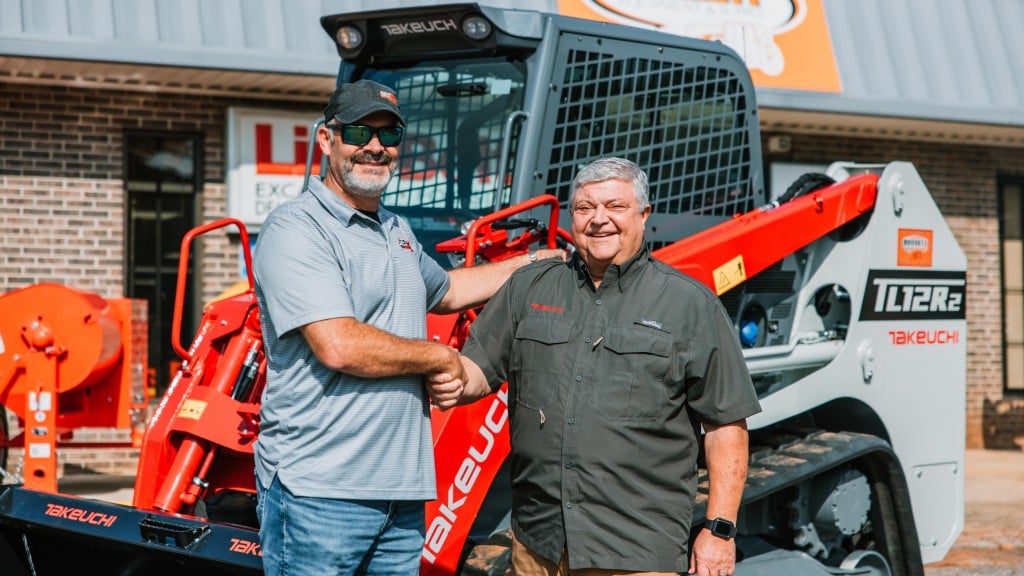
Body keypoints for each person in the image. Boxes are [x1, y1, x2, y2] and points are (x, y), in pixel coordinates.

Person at [251, 79, 564, 575]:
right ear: (326, 140)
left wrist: (535, 261)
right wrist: (440, 357)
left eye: (389, 135)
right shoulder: (297, 228)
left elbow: (449, 291)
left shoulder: (395, 229)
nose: (375, 147)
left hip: (401, 495)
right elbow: (338, 344)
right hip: (322, 493)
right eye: (359, 131)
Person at [429, 157, 762, 576]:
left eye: (615, 207)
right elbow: (477, 370)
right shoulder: (529, 286)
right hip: (538, 543)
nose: (598, 220)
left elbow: (726, 426)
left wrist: (719, 530)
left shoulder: (690, 305)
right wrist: (441, 374)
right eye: (585, 208)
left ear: (643, 215)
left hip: (634, 549)